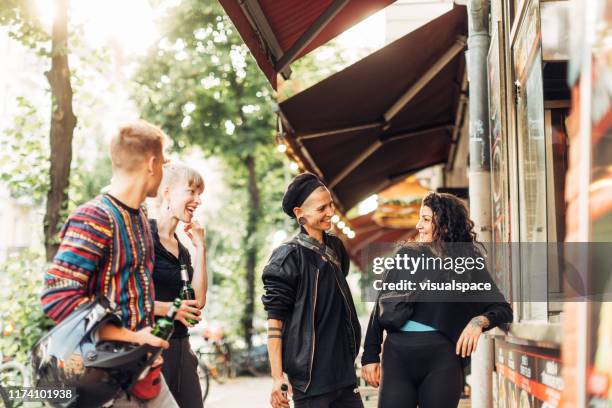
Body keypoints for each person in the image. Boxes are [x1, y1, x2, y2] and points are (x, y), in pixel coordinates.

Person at [41, 121, 179, 408]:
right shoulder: (94, 217)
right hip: (104, 381)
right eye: (164, 163)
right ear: (152, 163)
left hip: (143, 374)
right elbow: (58, 298)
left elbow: (122, 297)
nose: (164, 172)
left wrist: (158, 317)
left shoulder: (139, 217)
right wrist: (131, 337)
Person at [361, 192, 513, 408]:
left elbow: (502, 308)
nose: (418, 226)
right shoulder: (405, 255)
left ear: (445, 224)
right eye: (419, 218)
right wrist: (370, 356)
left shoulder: (467, 262)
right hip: (397, 358)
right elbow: (380, 307)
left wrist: (478, 322)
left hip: (442, 362)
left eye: (425, 219)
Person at [261, 172, 364, 408]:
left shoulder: (336, 247)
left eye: (330, 205)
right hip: (310, 381)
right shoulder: (286, 257)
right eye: (321, 208)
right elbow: (275, 323)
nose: (330, 212)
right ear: (300, 214)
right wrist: (278, 377)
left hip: (345, 375)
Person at [150, 162, 207, 408]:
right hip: (151, 348)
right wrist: (171, 308)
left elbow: (198, 301)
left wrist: (201, 248)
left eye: (199, 194)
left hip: (182, 348)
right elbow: (127, 300)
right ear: (167, 193)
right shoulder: (144, 238)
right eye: (191, 191)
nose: (197, 200)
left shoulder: (182, 250)